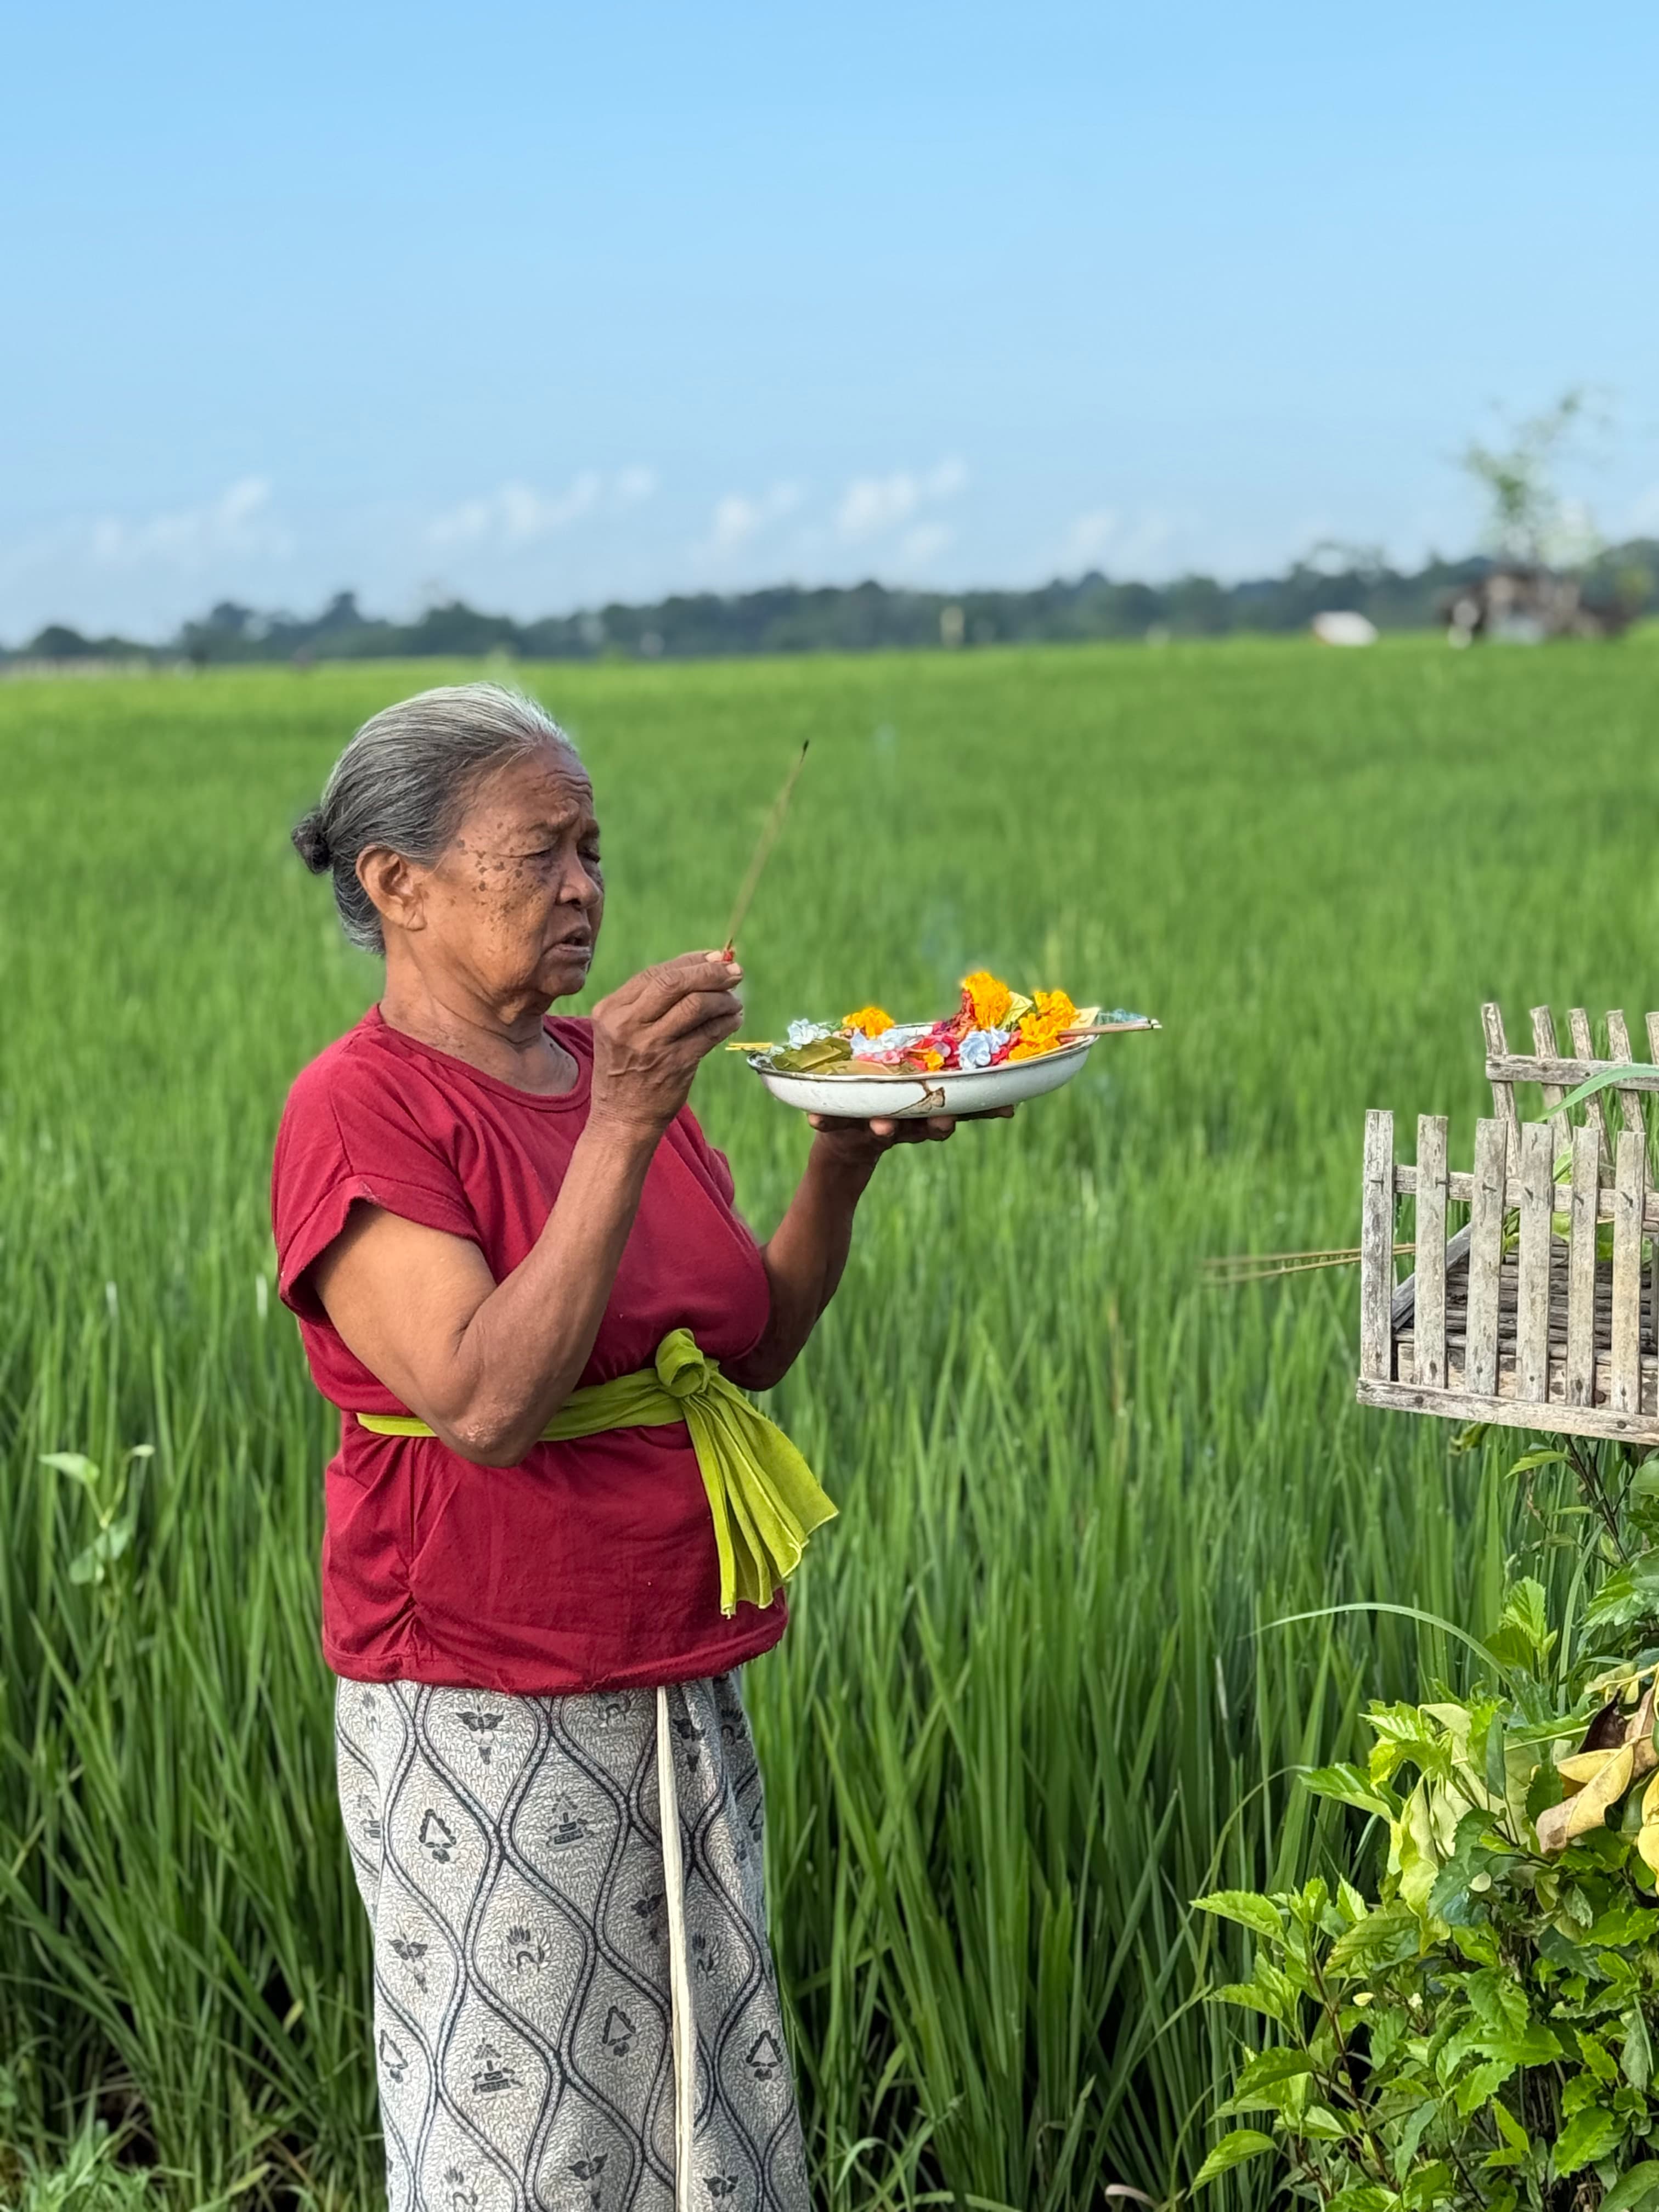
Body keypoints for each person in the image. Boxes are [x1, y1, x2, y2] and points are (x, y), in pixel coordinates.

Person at [271, 682, 995, 2212]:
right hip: (484, 1690)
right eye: (540, 854)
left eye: (593, 850)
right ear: (396, 884)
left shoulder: (614, 1073)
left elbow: (742, 1344)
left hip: (672, 1663)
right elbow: (481, 1401)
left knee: (699, 2122)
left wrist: (837, 1165)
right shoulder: (363, 1109)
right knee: (534, 2141)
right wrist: (622, 1120)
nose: (586, 888)